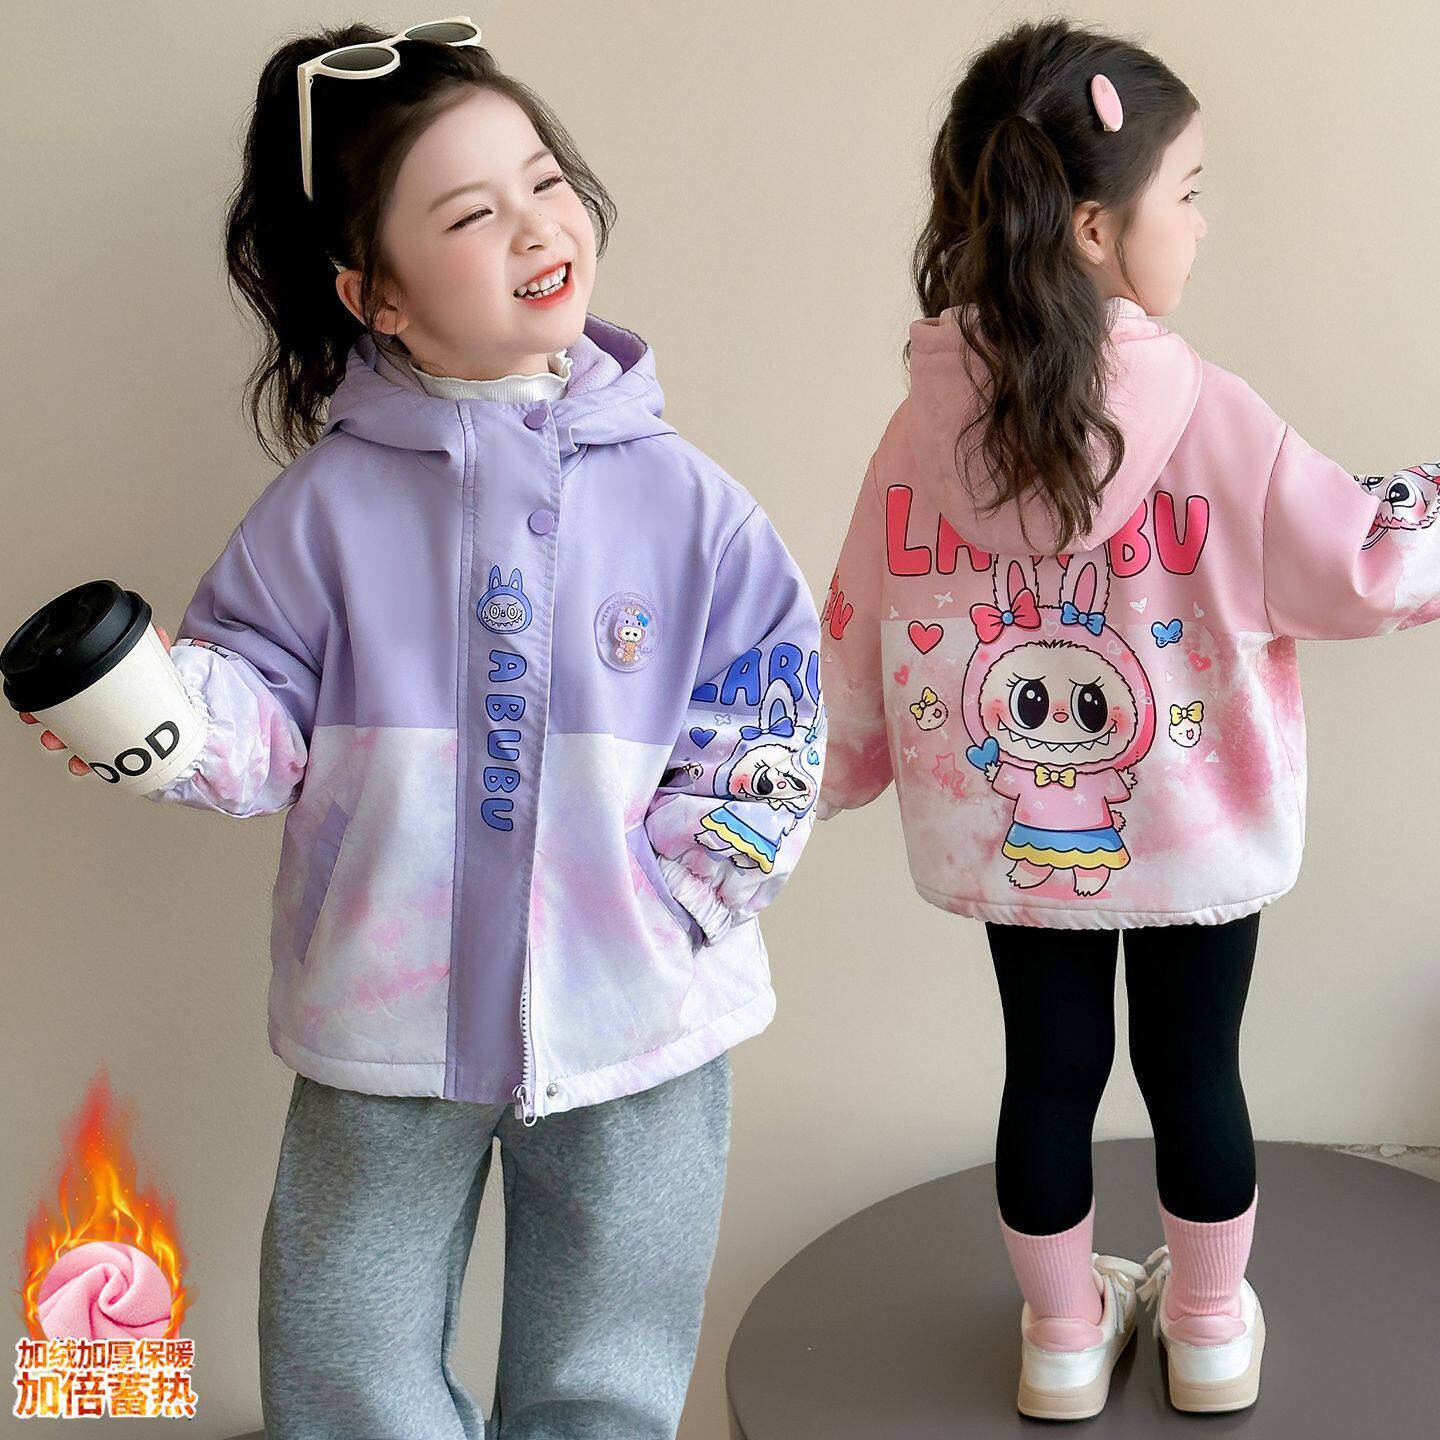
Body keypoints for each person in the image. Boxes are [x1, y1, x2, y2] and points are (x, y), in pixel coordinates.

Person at [22, 19, 823, 1439]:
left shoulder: (687, 503)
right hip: (383, 1013)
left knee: (608, 1361)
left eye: (543, 181)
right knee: (344, 1344)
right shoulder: (322, 513)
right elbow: (258, 709)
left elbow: (771, 700)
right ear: (374, 294)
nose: (535, 224)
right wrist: (159, 722)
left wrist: (689, 890)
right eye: (469, 214)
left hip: (639, 1017)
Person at [816, 15, 1438, 1422]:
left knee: (1045, 1076)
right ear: (1096, 228)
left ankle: (1060, 1336)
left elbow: (854, 620)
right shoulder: (1215, 416)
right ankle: (1207, 1330)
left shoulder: (921, 428)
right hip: (1194, 835)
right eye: (1190, 193)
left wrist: (826, 771)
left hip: (1019, 841)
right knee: (1195, 1070)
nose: (1202, 226)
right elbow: (1359, 559)